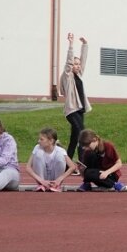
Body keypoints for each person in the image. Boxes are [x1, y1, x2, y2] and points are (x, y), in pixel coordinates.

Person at [60, 32, 91, 171]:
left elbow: (83, 60)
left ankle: (68, 166)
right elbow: (68, 62)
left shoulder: (79, 74)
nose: (77, 66)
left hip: (80, 110)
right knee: (82, 133)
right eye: (75, 64)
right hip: (71, 111)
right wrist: (71, 44)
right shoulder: (68, 76)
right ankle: (82, 164)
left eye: (78, 64)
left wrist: (85, 45)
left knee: (74, 139)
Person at [25, 127, 77, 192]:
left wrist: (59, 180)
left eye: (41, 139)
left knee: (60, 157)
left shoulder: (60, 151)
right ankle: (41, 185)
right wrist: (41, 181)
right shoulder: (37, 148)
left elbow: (72, 167)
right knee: (38, 154)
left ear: (51, 141)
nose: (38, 141)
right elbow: (28, 167)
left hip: (55, 179)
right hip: (42, 179)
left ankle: (56, 185)